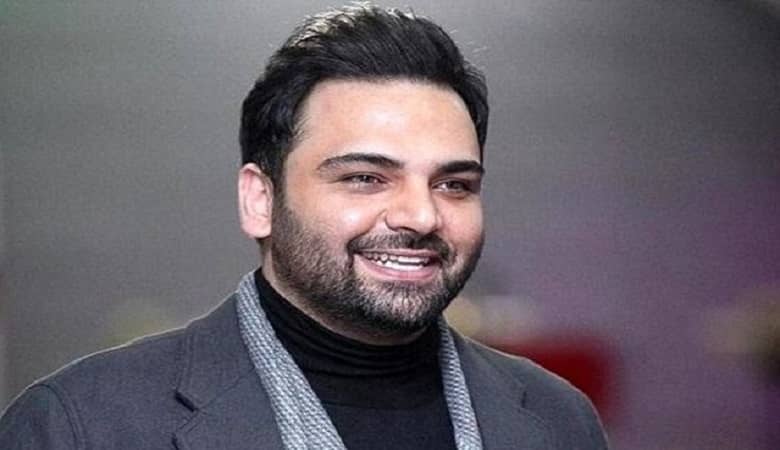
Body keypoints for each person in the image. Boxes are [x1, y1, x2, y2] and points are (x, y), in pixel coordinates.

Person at [0, 4, 608, 449]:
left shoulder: (559, 421)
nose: (422, 216)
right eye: (365, 177)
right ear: (260, 200)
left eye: (454, 185)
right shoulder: (81, 426)